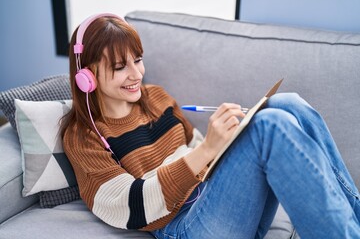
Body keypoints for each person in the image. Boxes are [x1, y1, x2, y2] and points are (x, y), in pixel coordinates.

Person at [60, 13, 360, 239]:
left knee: (286, 103)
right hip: (182, 226)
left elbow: (193, 148)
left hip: (216, 198)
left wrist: (230, 146)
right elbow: (129, 206)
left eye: (138, 60)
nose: (136, 73)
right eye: (119, 67)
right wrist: (207, 150)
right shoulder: (84, 137)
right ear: (87, 76)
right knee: (270, 125)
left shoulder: (155, 98)